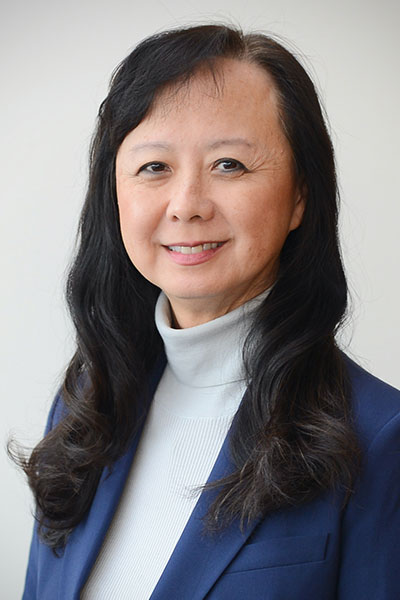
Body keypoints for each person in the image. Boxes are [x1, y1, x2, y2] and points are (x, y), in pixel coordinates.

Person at [20, 24, 400, 600]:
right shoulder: (85, 408)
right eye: (154, 167)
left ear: (300, 195)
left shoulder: (378, 440)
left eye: (229, 165)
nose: (188, 205)